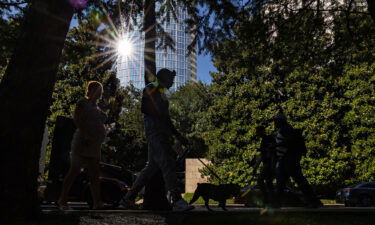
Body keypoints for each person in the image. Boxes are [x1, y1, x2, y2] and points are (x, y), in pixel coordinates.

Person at [120, 68, 194, 211]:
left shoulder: (161, 93)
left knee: (150, 168)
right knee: (168, 165)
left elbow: (166, 119)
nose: (172, 82)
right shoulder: (151, 88)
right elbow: (145, 108)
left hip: (160, 134)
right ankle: (177, 200)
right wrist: (161, 116)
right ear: (164, 78)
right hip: (155, 133)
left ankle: (128, 198)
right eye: (171, 79)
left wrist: (177, 135)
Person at [57, 81, 107, 210]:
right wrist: (86, 135)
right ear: (90, 91)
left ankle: (97, 202)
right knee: (74, 171)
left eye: (100, 92)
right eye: (97, 91)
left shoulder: (96, 106)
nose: (99, 94)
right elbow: (77, 119)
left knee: (94, 174)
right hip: (83, 141)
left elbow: (99, 120)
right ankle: (62, 200)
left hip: (94, 143)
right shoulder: (82, 102)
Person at [273, 113, 322, 208]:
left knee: (298, 180)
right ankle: (276, 203)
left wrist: (275, 146)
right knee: (281, 182)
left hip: (289, 159)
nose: (274, 123)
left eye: (276, 121)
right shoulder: (285, 129)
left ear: (280, 121)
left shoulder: (286, 129)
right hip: (285, 159)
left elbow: (289, 140)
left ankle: (314, 201)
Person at [253, 125, 276, 206]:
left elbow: (272, 152)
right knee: (269, 183)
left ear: (262, 131)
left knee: (260, 180)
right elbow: (262, 155)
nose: (257, 134)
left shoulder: (268, 139)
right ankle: (271, 201)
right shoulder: (263, 140)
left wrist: (273, 165)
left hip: (269, 164)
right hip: (267, 164)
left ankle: (267, 199)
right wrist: (256, 166)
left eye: (258, 132)